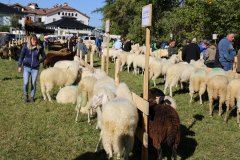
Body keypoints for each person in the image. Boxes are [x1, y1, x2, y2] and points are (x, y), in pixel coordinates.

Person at [18, 34, 46, 102]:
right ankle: (25, 95)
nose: (35, 41)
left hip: (35, 69)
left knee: (33, 83)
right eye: (33, 40)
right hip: (26, 67)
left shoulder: (39, 48)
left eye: (36, 40)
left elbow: (44, 56)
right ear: (30, 40)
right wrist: (19, 65)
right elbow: (21, 57)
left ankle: (32, 97)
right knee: (26, 82)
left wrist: (38, 62)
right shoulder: (25, 47)